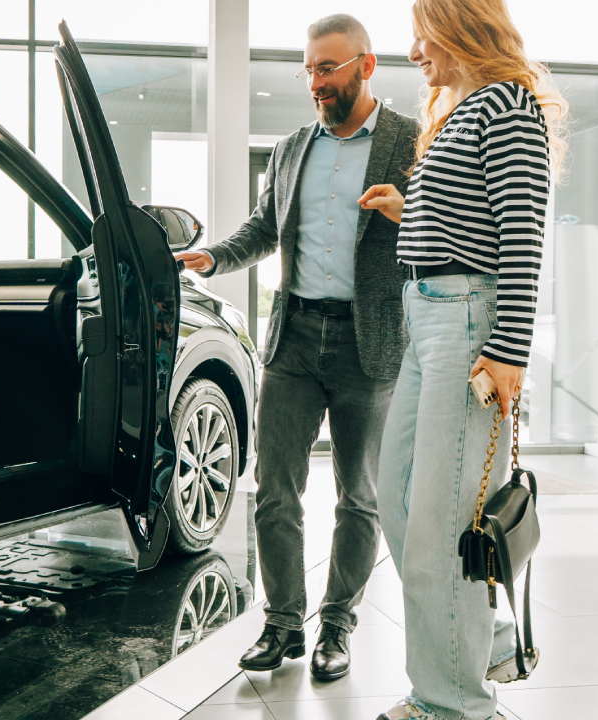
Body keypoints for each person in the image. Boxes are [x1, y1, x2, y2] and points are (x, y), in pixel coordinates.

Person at [176, 14, 421, 681]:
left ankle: (337, 626)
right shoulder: (292, 150)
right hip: (293, 342)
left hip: (368, 344)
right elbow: (262, 230)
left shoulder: (409, 142)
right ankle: (283, 623)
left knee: (357, 496)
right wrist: (210, 258)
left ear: (366, 67)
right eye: (309, 69)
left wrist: (412, 211)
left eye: (328, 69)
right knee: (273, 488)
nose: (316, 82)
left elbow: (439, 229)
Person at [357, 0, 567, 717]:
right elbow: (471, 215)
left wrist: (508, 351)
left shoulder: (508, 104)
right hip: (430, 321)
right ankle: (487, 637)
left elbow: (521, 232)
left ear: (460, 24)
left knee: (442, 523)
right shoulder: (467, 108)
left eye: (423, 33)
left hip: (468, 326)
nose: (414, 50)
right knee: (401, 499)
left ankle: (452, 706)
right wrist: (406, 209)